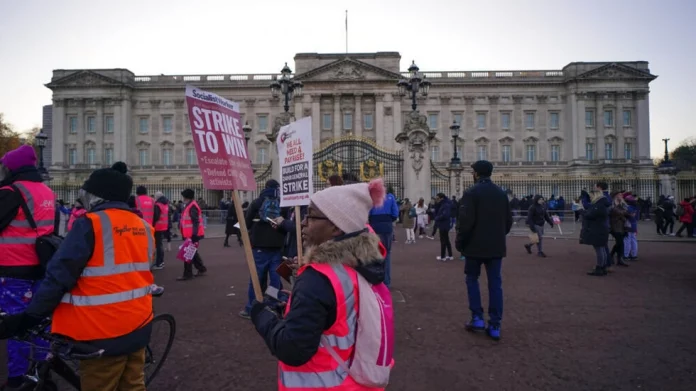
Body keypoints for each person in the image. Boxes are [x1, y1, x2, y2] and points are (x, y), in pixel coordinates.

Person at [0, 161, 155, 390]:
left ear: (97, 195)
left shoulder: (91, 223)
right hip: (139, 322)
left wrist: (30, 317)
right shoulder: (143, 225)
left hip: (101, 330)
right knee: (133, 384)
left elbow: (58, 276)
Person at [250, 178, 391, 390]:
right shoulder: (359, 264)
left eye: (311, 216)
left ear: (336, 227)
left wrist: (262, 317)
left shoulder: (317, 277)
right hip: (350, 381)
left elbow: (293, 348)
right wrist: (295, 304)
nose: (303, 222)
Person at [0, 145, 56, 389]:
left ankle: (18, 378)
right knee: (40, 322)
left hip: (13, 267)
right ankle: (42, 372)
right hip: (40, 265)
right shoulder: (45, 191)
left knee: (16, 326)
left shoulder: (11, 191)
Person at [455, 161, 511, 341]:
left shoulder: (471, 193)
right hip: (496, 246)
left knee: (472, 279)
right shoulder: (501, 194)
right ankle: (495, 325)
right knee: (495, 284)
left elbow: (465, 223)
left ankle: (477, 318)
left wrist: (460, 242)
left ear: (476, 174)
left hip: (474, 246)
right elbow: (508, 222)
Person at [239, 180, 284, 319]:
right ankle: (274, 304)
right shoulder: (282, 202)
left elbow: (246, 223)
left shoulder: (257, 202)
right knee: (275, 278)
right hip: (277, 244)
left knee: (256, 278)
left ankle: (252, 307)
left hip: (259, 245)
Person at [368, 184, 399, 287]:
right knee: (387, 253)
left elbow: (368, 213)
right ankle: (386, 281)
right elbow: (395, 213)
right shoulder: (390, 197)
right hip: (386, 227)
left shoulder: (373, 197)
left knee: (374, 253)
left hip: (374, 227)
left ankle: (376, 280)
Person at [177, 189, 207, 281]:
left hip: (192, 234)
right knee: (192, 252)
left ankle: (188, 273)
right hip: (190, 233)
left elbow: (195, 221)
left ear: (187, 197)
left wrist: (194, 234)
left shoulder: (192, 206)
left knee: (188, 254)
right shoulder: (190, 205)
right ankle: (201, 268)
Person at [582, 190, 611, 276]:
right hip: (602, 228)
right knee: (602, 249)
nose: (590, 198)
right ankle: (603, 267)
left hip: (598, 229)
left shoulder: (599, 205)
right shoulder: (603, 204)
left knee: (599, 249)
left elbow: (589, 215)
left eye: (591, 196)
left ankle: (600, 267)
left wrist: (580, 210)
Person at [609, 191, 631, 267]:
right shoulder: (612, 204)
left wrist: (625, 213)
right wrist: (625, 213)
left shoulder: (623, 204)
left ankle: (618, 258)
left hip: (623, 226)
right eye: (619, 195)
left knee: (620, 243)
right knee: (619, 242)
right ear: (615, 196)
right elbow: (618, 212)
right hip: (615, 225)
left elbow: (628, 212)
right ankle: (613, 256)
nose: (620, 196)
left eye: (621, 195)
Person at [152, 191, 170, 269]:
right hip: (164, 225)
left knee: (158, 245)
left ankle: (159, 263)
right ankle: (161, 262)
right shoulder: (165, 204)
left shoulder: (157, 205)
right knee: (160, 244)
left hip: (158, 226)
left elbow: (156, 216)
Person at [434, 193, 453, 261]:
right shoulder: (444, 204)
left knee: (443, 240)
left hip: (443, 225)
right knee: (446, 240)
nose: (437, 200)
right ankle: (450, 255)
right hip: (444, 224)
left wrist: (437, 218)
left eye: (438, 198)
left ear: (441, 198)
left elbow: (445, 215)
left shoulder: (445, 205)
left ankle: (443, 256)